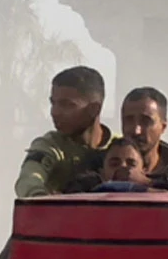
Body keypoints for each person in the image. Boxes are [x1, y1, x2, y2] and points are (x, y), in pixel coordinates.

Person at [15, 66, 116, 198]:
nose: (54, 112)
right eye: (53, 103)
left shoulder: (120, 147)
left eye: (67, 105)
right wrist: (42, 198)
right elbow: (28, 180)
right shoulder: (50, 146)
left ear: (94, 109)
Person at [120, 87, 168, 188]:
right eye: (129, 120)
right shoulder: (99, 165)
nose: (136, 131)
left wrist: (149, 183)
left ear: (163, 127)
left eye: (146, 121)